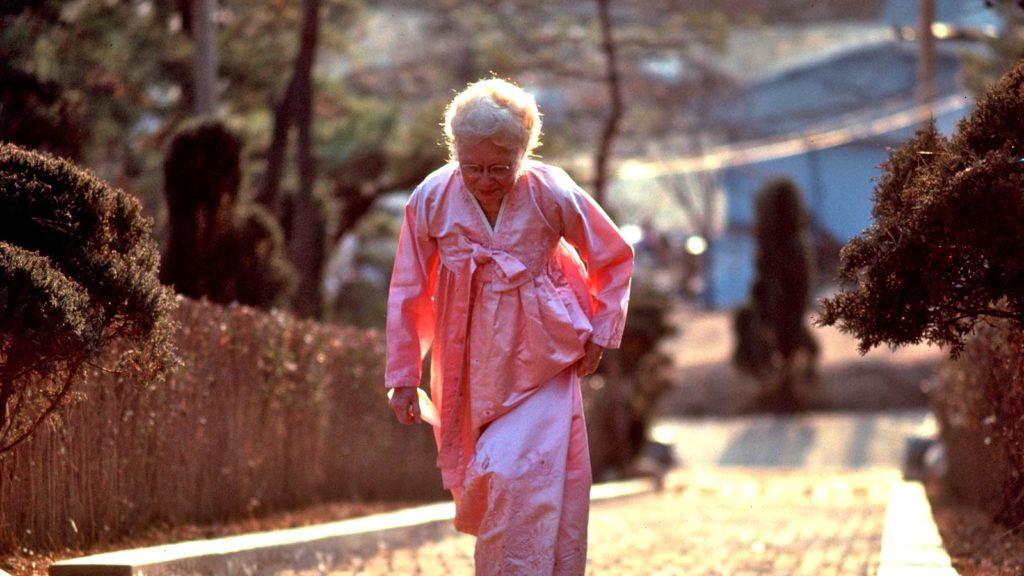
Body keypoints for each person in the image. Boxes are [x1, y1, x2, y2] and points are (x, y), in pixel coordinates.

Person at [385, 77, 633, 575]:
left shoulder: (551, 192)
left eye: (500, 168)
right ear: (455, 151)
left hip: (546, 357)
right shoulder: (431, 198)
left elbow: (614, 258)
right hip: (467, 366)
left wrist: (602, 334)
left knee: (516, 476)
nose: (486, 179)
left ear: (524, 151)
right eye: (473, 167)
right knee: (493, 485)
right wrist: (403, 376)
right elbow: (408, 290)